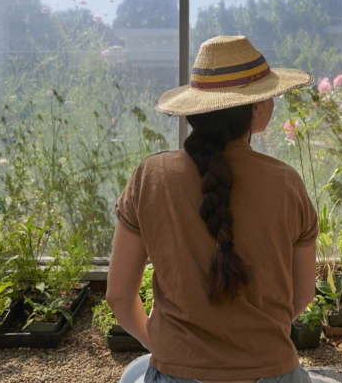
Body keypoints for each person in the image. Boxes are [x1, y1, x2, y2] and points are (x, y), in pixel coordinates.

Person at [107, 35, 318, 383]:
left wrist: (167, 348)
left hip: (174, 371)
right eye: (269, 95)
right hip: (274, 373)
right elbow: (303, 294)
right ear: (257, 108)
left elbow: (118, 296)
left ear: (196, 111)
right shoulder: (286, 184)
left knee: (133, 374)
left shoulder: (151, 177)